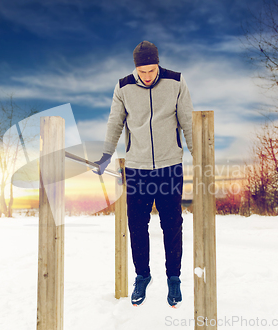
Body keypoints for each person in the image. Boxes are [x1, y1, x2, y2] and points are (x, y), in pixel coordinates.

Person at [94, 40, 193, 308]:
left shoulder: (176, 82)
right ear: (135, 68)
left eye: (151, 70)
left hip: (169, 166)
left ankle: (174, 278)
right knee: (137, 225)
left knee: (172, 224)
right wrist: (106, 155)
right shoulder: (123, 86)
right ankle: (142, 275)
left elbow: (188, 123)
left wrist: (201, 157)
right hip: (137, 168)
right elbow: (115, 122)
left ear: (158, 64)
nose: (147, 77)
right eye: (142, 71)